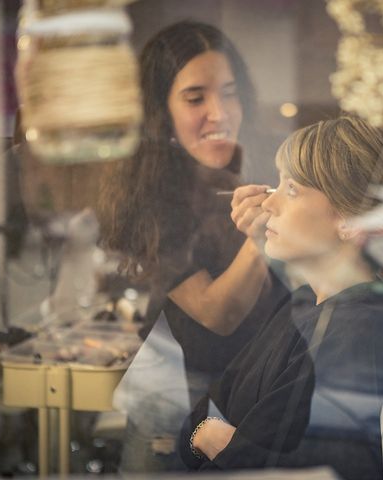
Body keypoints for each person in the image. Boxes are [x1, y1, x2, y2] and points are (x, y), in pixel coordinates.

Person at [179, 116, 383, 479]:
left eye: (291, 189)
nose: (268, 202)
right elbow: (202, 417)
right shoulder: (307, 303)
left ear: (351, 221)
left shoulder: (358, 336)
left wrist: (214, 438)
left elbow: (296, 468)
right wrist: (211, 434)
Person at [97, 21, 287, 472]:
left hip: (261, 393)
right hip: (180, 403)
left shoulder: (264, 163)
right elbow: (217, 313)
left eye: (230, 92)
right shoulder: (150, 195)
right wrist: (263, 237)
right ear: (160, 110)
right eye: (195, 97)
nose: (219, 113)